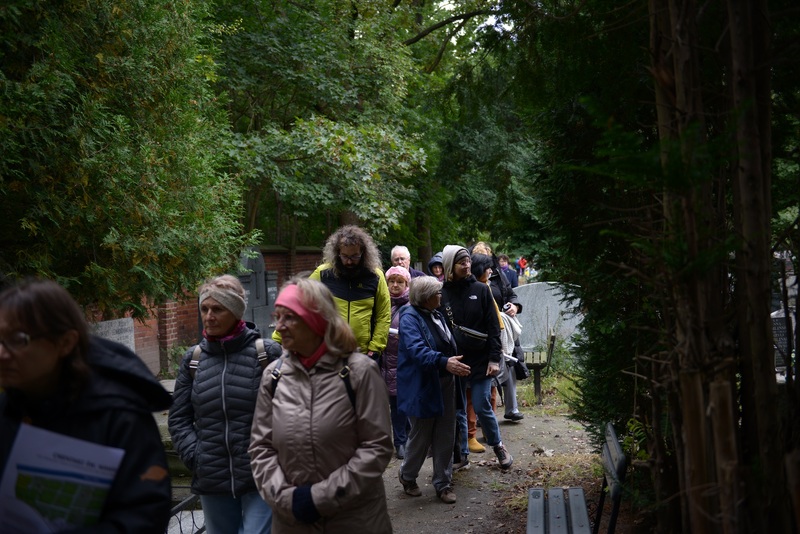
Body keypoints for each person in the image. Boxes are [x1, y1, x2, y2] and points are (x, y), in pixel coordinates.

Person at [0, 278, 172, 533]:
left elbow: (145, 516)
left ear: (65, 343)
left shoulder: (119, 415)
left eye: (18, 339)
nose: (2, 353)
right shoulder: (7, 408)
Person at [249, 278, 393, 533]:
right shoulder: (273, 376)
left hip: (354, 520)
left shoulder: (359, 372)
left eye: (289, 318)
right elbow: (261, 447)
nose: (278, 326)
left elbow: (377, 447)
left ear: (315, 320)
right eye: (277, 316)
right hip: (291, 521)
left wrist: (318, 498)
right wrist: (285, 498)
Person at [169, 274, 273, 534]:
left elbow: (288, 411)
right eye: (204, 309)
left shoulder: (266, 354)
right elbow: (179, 418)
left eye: (218, 309)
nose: (209, 316)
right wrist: (196, 457)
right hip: (212, 476)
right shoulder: (193, 359)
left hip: (260, 473)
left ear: (236, 312)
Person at [397, 276, 471, 504]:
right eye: (437, 293)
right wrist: (444, 362)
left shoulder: (437, 313)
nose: (441, 296)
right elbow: (416, 351)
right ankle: (407, 477)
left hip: (446, 381)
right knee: (421, 435)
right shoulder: (409, 317)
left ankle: (443, 483)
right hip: (423, 385)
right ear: (425, 297)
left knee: (446, 433)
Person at [439, 245, 513, 470]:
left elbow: (493, 327)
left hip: (481, 361)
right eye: (461, 262)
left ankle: (498, 445)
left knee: (481, 404)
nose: (467, 265)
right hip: (455, 361)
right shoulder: (442, 293)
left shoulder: (481, 290)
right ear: (450, 265)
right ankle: (461, 454)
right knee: (458, 410)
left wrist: (493, 359)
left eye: (468, 261)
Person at [276, 225, 390, 364]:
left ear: (363, 253)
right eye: (345, 256)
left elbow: (383, 315)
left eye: (355, 256)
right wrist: (278, 339)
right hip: (328, 352)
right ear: (337, 253)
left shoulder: (376, 276)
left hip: (364, 355)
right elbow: (298, 302)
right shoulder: (323, 274)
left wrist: (376, 348)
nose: (349, 261)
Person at [473, 244, 525, 422]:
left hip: (503, 327)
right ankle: (485, 416)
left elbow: (510, 294)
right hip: (484, 330)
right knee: (489, 374)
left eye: (487, 256)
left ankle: (511, 409)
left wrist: (515, 306)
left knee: (508, 366)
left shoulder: (498, 274)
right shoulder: (473, 281)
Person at [383, 265, 411, 459]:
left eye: (399, 282)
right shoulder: (381, 303)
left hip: (404, 364)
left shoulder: (411, 306)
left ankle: (405, 440)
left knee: (403, 405)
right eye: (391, 281)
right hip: (384, 363)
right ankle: (400, 442)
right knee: (396, 405)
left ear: (407, 284)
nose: (395, 285)